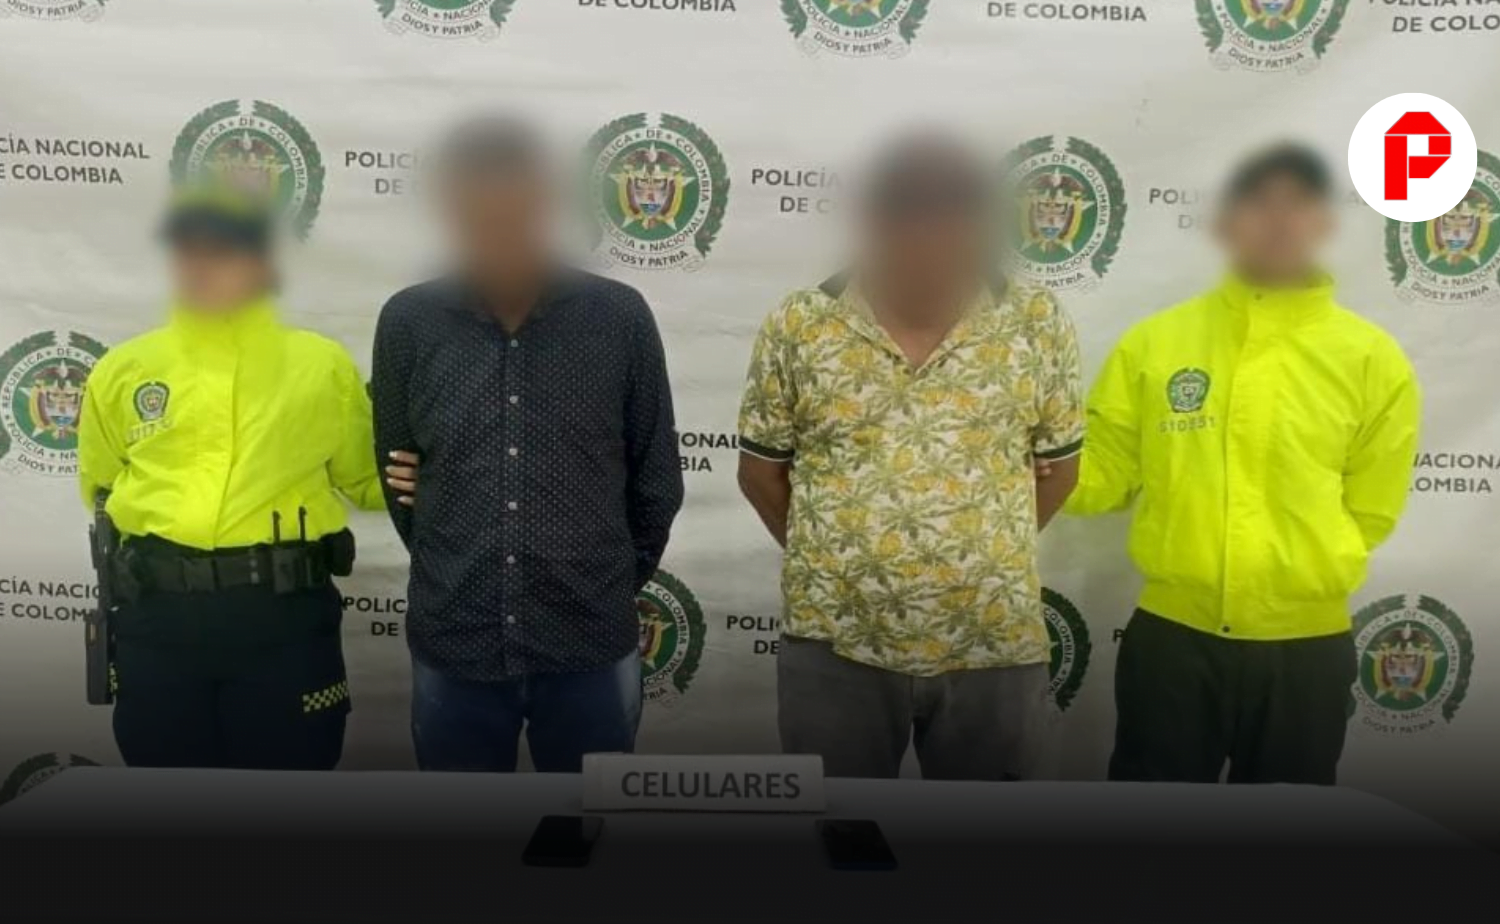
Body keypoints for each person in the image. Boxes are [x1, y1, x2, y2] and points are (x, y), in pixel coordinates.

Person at [1053, 143, 1421, 785]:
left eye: (1297, 205)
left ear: (1323, 223)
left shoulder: (1371, 359)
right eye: (1259, 204)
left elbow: (1372, 508)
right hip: (1173, 642)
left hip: (1305, 649)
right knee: (1147, 830)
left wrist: (1303, 568)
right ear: (1227, 221)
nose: (1278, 221)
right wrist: (1025, 458)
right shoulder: (1156, 344)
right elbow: (1103, 473)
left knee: (1285, 838)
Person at [736, 134, 1084, 780]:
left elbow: (1059, 470)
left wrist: (976, 552)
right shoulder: (800, 324)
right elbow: (760, 473)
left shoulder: (1037, 321)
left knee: (991, 837)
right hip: (835, 644)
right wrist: (838, 560)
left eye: (950, 213)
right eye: (908, 213)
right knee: (836, 828)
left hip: (993, 643)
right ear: (872, 222)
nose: (929, 237)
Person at [370, 116, 684, 773]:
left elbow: (656, 480)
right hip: (456, 641)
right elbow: (399, 476)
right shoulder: (409, 321)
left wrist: (605, 583)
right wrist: (455, 557)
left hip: (589, 644)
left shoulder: (618, 317)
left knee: (591, 820)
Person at [76, 188, 414, 770]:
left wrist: (440, 477)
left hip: (283, 623)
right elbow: (102, 484)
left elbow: (367, 479)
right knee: (162, 800)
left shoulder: (320, 365)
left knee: (287, 800)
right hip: (157, 623)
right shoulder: (124, 368)